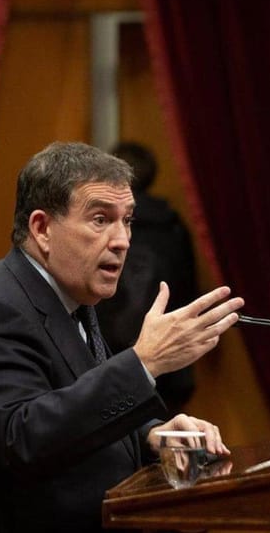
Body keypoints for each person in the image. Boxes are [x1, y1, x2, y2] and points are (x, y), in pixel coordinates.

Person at [0, 142, 244, 532]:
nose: (122, 240)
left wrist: (153, 435)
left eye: (127, 221)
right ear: (42, 229)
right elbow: (23, 439)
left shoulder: (71, 299)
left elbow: (74, 413)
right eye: (100, 219)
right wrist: (144, 363)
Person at [95, 142, 198, 415]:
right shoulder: (172, 225)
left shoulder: (102, 226)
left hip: (109, 354)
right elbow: (188, 287)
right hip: (170, 354)